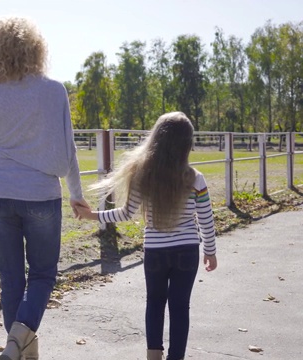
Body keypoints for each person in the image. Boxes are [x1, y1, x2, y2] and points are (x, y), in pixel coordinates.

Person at [0, 16, 89, 360]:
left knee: (11, 280)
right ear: (35, 48)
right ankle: (20, 339)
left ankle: (18, 348)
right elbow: (69, 149)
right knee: (44, 274)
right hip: (41, 196)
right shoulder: (53, 90)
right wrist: (77, 195)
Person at [75, 111, 218, 360]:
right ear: (187, 144)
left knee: (154, 303)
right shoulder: (196, 178)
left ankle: (153, 355)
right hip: (187, 251)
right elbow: (206, 219)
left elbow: (126, 213)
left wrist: (92, 215)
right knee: (180, 307)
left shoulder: (143, 175)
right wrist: (210, 250)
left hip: (155, 251)